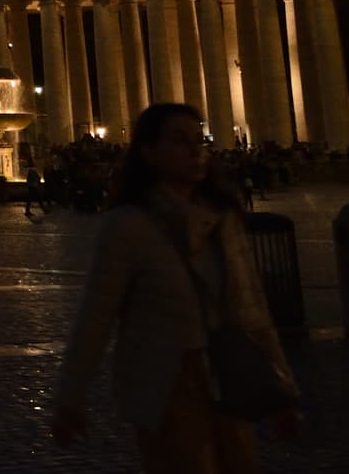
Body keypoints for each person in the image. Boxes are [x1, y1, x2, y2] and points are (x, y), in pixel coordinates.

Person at [51, 103, 300, 472]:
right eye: (180, 141)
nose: (195, 150)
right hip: (166, 382)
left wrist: (285, 393)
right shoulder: (127, 227)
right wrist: (70, 398)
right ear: (149, 153)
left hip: (227, 374)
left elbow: (254, 312)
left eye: (199, 140)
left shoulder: (224, 219)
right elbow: (95, 317)